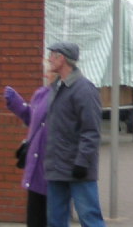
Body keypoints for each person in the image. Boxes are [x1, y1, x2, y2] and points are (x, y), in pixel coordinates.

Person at [44, 41, 106, 227]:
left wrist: (81, 162)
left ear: (61, 59)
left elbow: (91, 131)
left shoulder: (84, 89)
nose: (49, 60)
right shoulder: (58, 87)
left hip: (78, 168)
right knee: (55, 219)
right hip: (57, 166)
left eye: (52, 55)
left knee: (89, 218)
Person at [5, 66, 56, 227]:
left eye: (51, 69)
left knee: (51, 217)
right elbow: (32, 120)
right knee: (35, 217)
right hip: (37, 166)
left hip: (53, 165)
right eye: (48, 68)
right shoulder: (41, 94)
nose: (47, 72)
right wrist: (16, 103)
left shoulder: (65, 96)